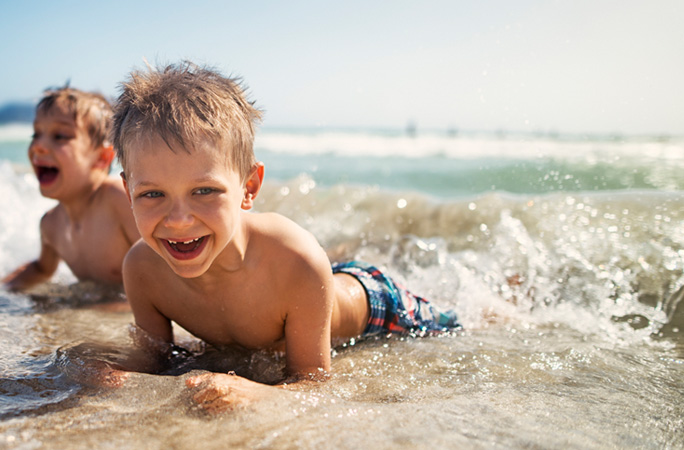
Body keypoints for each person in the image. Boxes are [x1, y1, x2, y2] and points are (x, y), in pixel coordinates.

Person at [110, 62, 459, 412]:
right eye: (153, 195)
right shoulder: (142, 270)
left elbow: (314, 384)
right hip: (308, 293)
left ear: (249, 187)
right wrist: (112, 373)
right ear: (128, 191)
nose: (180, 221)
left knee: (457, 325)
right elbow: (155, 358)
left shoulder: (295, 259)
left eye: (204, 190)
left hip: (379, 306)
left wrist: (255, 392)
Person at [3, 86, 140, 291]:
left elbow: (162, 269)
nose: (38, 146)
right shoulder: (51, 224)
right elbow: (42, 270)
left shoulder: (117, 201)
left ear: (102, 158)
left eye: (60, 136)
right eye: (36, 134)